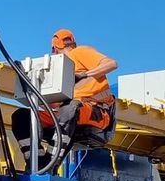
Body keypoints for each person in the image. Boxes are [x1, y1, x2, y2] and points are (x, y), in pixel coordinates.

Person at [12, 29, 119, 165]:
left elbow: (112, 64)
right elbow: (55, 106)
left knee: (70, 108)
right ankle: (36, 161)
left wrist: (83, 75)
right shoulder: (56, 70)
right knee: (21, 116)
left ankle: (51, 162)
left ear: (54, 48)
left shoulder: (79, 52)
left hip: (95, 114)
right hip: (67, 115)